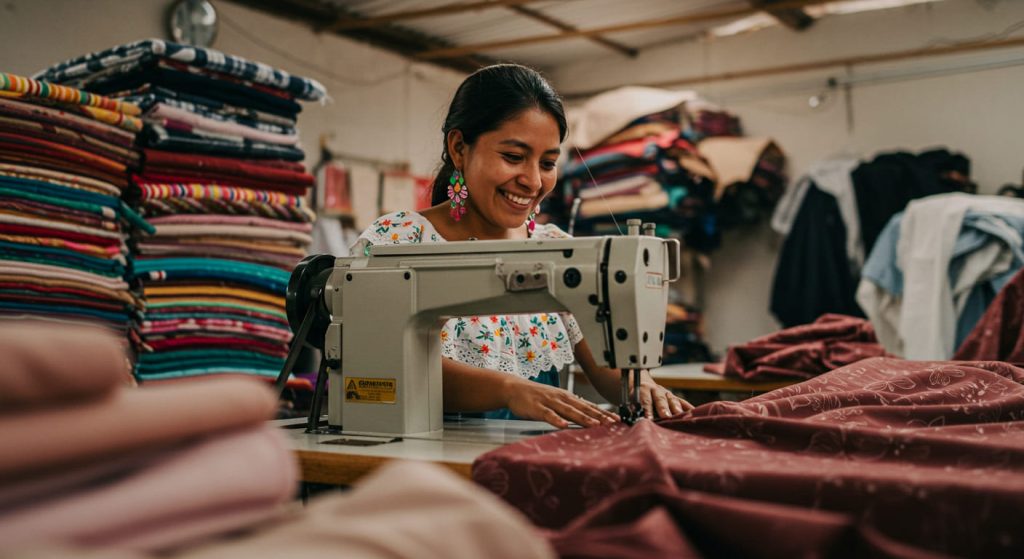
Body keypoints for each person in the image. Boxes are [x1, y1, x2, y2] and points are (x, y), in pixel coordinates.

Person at [356, 64, 692, 428]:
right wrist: (510, 390)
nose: (533, 181)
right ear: (458, 148)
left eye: (547, 163)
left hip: (533, 459)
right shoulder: (397, 241)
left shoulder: (558, 252)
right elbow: (381, 365)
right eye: (514, 157)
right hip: (421, 457)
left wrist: (640, 384)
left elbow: (607, 366)